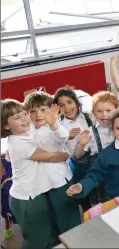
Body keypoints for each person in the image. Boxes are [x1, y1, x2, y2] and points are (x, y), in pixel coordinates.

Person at [1, 99, 71, 249]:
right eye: (17, 117)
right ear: (6, 125)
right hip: (27, 198)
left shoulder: (26, 134)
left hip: (35, 194)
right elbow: (50, 156)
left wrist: (53, 124)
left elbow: (57, 136)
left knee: (46, 235)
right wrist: (66, 154)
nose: (25, 118)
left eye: (24, 113)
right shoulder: (19, 143)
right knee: (37, 241)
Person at [23, 92, 81, 236]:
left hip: (59, 182)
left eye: (43, 110)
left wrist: (54, 123)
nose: (38, 115)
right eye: (33, 111)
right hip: (40, 184)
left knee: (68, 219)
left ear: (52, 110)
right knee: (50, 220)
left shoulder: (55, 128)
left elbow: (62, 136)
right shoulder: (29, 130)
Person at [66, 109, 119, 202]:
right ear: (113, 130)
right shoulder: (107, 154)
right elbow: (94, 175)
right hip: (116, 201)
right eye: (118, 128)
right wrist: (81, 186)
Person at [73, 91, 119, 183]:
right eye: (99, 111)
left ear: (116, 110)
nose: (104, 114)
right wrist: (81, 145)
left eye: (108, 110)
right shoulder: (90, 132)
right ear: (93, 113)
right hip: (101, 176)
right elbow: (78, 156)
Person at [54, 86, 93, 159]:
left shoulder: (89, 117)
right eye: (62, 105)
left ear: (76, 102)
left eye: (69, 102)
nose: (67, 108)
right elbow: (70, 156)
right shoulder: (60, 128)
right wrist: (68, 138)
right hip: (79, 163)